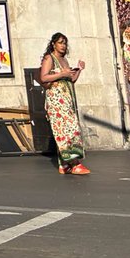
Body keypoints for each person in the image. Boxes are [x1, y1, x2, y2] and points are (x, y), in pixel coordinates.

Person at [38, 33, 90, 174]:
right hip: (56, 100)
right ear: (53, 44)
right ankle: (74, 163)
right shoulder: (49, 58)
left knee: (65, 130)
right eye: (60, 42)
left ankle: (64, 164)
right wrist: (62, 74)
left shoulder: (64, 60)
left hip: (67, 99)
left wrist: (78, 70)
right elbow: (43, 77)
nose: (63, 45)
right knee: (69, 130)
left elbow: (71, 79)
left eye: (65, 43)